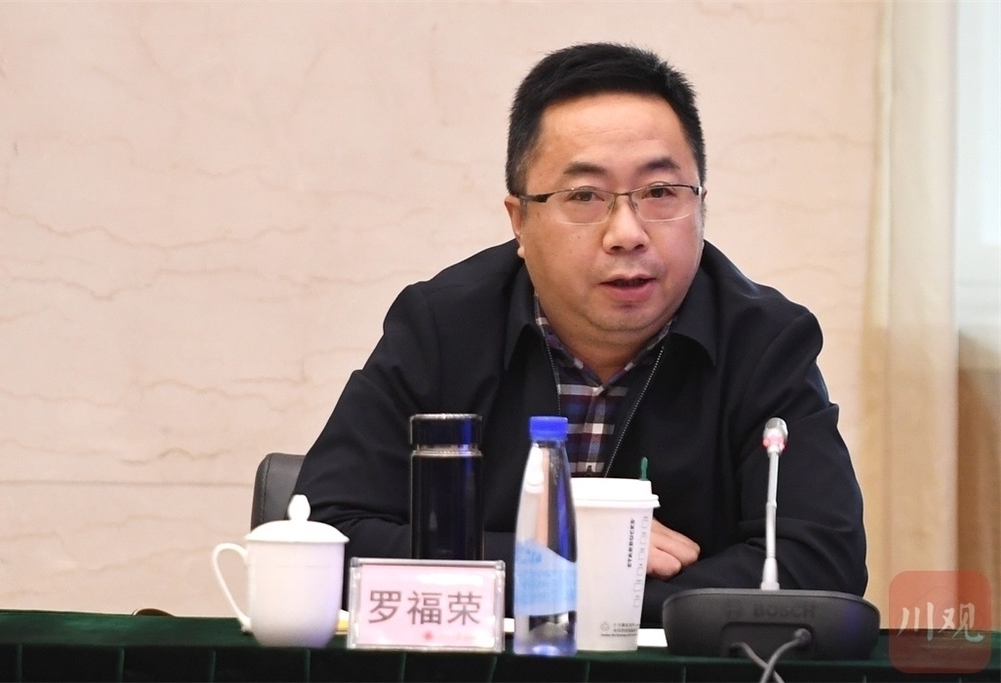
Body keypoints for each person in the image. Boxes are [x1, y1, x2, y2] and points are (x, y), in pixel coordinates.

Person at [294, 42, 868, 626]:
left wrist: (595, 592)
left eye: (660, 193)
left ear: (701, 206)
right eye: (585, 196)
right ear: (520, 221)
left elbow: (821, 565)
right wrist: (560, 557)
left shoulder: (766, 342)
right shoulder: (443, 328)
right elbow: (319, 538)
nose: (627, 234)